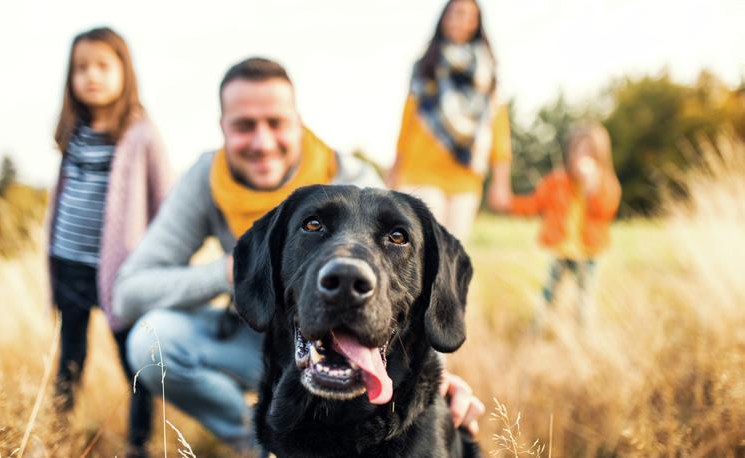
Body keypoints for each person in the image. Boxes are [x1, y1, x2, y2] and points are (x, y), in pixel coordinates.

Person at [113, 57, 485, 455]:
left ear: (298, 122)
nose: (262, 142)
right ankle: (256, 442)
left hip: (364, 333)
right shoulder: (207, 179)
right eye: (244, 125)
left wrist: (439, 378)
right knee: (151, 340)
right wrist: (235, 272)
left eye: (275, 123)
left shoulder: (355, 179)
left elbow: (405, 285)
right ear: (222, 127)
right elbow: (129, 292)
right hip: (265, 328)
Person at [46, 26, 171, 456]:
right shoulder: (72, 131)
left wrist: (157, 265)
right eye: (81, 68)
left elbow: (166, 206)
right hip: (68, 263)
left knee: (135, 359)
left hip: (122, 273)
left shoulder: (141, 134)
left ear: (124, 71)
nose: (91, 76)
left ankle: (139, 443)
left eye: (102, 65)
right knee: (70, 358)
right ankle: (58, 434)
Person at [389, 0, 513, 241]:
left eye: (470, 16)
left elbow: (498, 128)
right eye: (457, 14)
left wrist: (501, 181)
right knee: (422, 246)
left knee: (452, 252)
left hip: (465, 176)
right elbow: (408, 121)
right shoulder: (426, 66)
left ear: (477, 24)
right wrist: (394, 170)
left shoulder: (488, 73)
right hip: (421, 170)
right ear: (444, 19)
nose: (462, 21)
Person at [490, 122, 621, 323]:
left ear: (601, 155)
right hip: (562, 250)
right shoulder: (556, 182)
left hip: (588, 253)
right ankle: (537, 328)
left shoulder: (606, 184)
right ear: (570, 153)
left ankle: (585, 332)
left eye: (589, 151)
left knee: (584, 298)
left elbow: (605, 211)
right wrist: (508, 204)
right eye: (579, 150)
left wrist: (591, 187)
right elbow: (534, 204)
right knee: (549, 293)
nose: (583, 156)